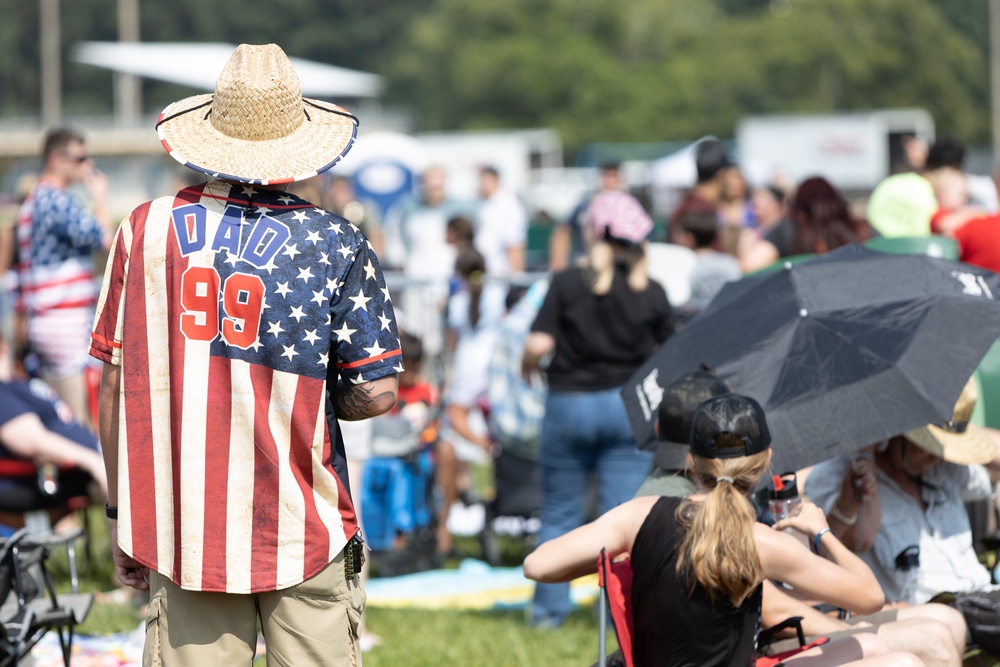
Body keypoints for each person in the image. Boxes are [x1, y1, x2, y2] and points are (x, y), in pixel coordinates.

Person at [90, 44, 401, 665]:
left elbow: (115, 389)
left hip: (184, 528)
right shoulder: (335, 239)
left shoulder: (144, 229)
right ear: (299, 144)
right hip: (303, 518)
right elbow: (376, 391)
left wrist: (125, 513)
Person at [524, 393, 923, 667]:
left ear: (689, 460)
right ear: (767, 459)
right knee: (899, 659)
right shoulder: (761, 542)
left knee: (868, 643)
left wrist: (622, 559)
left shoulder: (638, 516)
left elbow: (538, 565)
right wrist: (820, 532)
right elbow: (870, 597)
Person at [633, 372, 965, 666]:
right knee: (925, 640)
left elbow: (778, 584)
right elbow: (785, 604)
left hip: (786, 617)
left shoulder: (649, 508)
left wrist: (844, 505)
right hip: (774, 636)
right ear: (764, 458)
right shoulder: (696, 513)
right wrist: (841, 619)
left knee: (944, 621)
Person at [523, 190, 674, 627]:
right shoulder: (653, 291)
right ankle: (618, 620)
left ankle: (547, 615)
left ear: (595, 231)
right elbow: (672, 350)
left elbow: (539, 344)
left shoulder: (568, 282)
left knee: (559, 514)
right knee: (623, 522)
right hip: (628, 410)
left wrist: (525, 365)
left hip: (570, 406)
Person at [805, 377, 1000, 654]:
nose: (935, 455)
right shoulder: (838, 475)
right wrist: (867, 452)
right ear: (900, 431)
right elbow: (858, 539)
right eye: (928, 444)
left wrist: (954, 420)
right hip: (930, 609)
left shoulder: (944, 466)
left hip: (985, 597)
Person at [16, 127, 113, 427]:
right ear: (57, 160)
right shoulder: (57, 200)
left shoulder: (35, 199)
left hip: (46, 318)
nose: (87, 166)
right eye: (80, 158)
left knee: (62, 418)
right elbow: (104, 239)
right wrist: (100, 197)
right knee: (85, 423)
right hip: (64, 322)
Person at [437, 245, 508, 554]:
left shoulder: (459, 302)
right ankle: (483, 459)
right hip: (493, 366)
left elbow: (452, 343)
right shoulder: (496, 296)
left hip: (469, 368)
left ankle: (447, 528)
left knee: (453, 431)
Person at [0, 332, 106, 525]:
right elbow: (32, 441)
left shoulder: (15, 385)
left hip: (77, 472)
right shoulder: (2, 394)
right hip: (60, 478)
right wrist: (93, 461)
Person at [549, 161, 623, 272]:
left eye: (613, 176)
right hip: (587, 263)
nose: (609, 181)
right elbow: (563, 231)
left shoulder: (628, 207)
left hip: (617, 265)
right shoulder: (588, 204)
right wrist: (558, 269)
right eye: (606, 176)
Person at [670, 210, 742, 313]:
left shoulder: (682, 268)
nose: (675, 238)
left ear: (688, 238)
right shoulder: (731, 263)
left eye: (678, 233)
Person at [475, 165, 527, 276]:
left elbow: (515, 242)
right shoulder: (489, 204)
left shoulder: (508, 205)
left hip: (501, 275)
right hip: (488, 272)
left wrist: (515, 276)